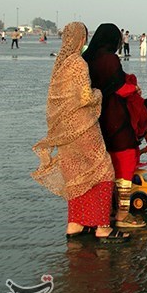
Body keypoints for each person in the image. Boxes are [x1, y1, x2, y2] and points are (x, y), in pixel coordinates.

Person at [31, 22, 129, 243]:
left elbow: (55, 100)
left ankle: (75, 224)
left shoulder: (60, 64)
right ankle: (103, 226)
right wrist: (99, 95)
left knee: (75, 175)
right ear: (81, 39)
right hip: (83, 127)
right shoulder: (77, 63)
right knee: (103, 171)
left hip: (65, 130)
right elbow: (85, 97)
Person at [82, 23, 147, 229]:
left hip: (95, 120)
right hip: (115, 118)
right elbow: (119, 87)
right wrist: (134, 88)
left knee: (105, 168)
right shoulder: (109, 59)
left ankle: (104, 212)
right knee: (125, 163)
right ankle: (123, 214)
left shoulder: (86, 60)